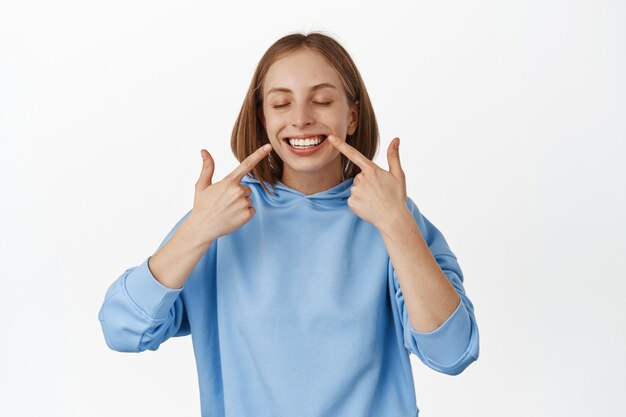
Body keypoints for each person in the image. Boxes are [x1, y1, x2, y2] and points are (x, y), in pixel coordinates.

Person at [98, 32, 480, 417]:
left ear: (352, 116)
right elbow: (122, 329)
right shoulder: (221, 217)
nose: (301, 119)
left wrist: (397, 226)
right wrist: (197, 230)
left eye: (322, 100)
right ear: (263, 118)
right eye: (281, 103)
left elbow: (451, 353)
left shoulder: (393, 214)